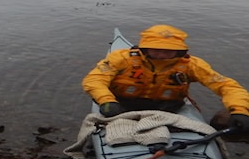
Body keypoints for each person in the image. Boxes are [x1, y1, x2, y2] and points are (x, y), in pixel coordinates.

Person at [82, 24, 249, 134]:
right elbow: (95, 79)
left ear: (180, 50)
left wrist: (240, 110)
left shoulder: (192, 65)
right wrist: (106, 101)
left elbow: (227, 86)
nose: (161, 55)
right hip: (121, 105)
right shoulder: (121, 58)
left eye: (168, 51)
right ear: (145, 48)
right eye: (156, 50)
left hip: (168, 108)